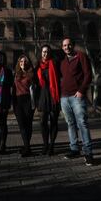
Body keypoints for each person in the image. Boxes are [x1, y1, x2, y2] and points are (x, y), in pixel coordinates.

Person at [60, 37, 94, 166]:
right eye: (64, 45)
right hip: (64, 97)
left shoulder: (81, 56)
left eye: (69, 45)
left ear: (73, 45)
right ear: (62, 47)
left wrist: (81, 91)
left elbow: (88, 75)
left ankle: (88, 153)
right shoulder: (63, 62)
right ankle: (74, 149)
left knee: (82, 124)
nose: (66, 47)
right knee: (70, 124)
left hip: (77, 97)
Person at [36, 45, 60, 156]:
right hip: (42, 97)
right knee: (43, 122)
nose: (45, 54)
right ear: (41, 53)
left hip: (54, 97)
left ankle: (51, 146)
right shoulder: (38, 66)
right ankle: (45, 144)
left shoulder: (55, 63)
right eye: (43, 52)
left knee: (54, 122)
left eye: (47, 52)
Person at [13, 54, 36, 157]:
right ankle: (27, 148)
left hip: (28, 100)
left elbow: (34, 89)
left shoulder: (31, 74)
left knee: (28, 125)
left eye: (25, 61)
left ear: (28, 63)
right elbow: (13, 89)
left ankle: (27, 148)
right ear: (19, 63)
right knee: (22, 125)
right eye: (21, 61)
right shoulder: (16, 74)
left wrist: (34, 104)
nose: (23, 63)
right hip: (18, 101)